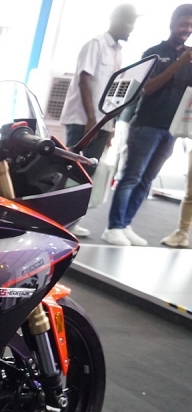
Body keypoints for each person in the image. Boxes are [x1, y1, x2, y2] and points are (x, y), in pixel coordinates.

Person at [106, 4, 192, 246]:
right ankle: (113, 227)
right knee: (131, 177)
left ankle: (126, 224)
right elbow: (148, 88)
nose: (187, 29)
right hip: (146, 125)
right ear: (172, 24)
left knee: (147, 180)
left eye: (190, 25)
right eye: (183, 24)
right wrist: (179, 63)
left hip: (171, 130)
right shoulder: (153, 53)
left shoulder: (190, 56)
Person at [59, 4, 137, 238]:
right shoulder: (96, 45)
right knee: (73, 171)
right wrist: (92, 121)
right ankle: (59, 220)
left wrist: (109, 127)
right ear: (116, 20)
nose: (131, 28)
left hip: (101, 123)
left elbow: (113, 91)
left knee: (87, 174)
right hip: (84, 121)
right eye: (129, 22)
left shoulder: (117, 52)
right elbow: (85, 80)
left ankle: (71, 221)